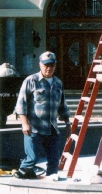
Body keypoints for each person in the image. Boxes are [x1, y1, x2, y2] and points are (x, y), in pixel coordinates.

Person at [14, 51, 71, 179]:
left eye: (51, 65)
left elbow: (63, 105)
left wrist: (68, 123)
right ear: (40, 65)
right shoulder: (31, 81)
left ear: (55, 66)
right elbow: (20, 104)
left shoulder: (58, 83)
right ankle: (20, 182)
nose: (49, 68)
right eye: (46, 65)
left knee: (53, 161)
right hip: (34, 129)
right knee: (32, 158)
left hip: (52, 129)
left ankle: (51, 184)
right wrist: (24, 124)